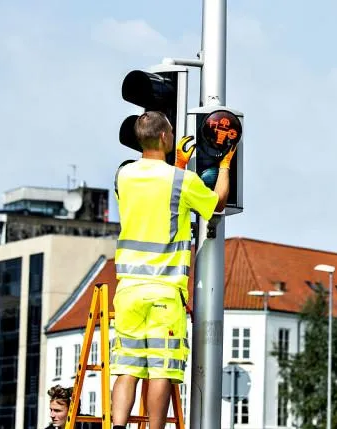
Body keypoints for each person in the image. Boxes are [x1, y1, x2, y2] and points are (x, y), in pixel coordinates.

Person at [111, 110, 234, 429]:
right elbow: (217, 202)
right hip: (163, 292)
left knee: (128, 368)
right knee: (162, 370)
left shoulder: (123, 177)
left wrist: (176, 163)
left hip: (127, 292)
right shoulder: (182, 181)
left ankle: (118, 426)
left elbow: (156, 198)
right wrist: (225, 163)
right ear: (166, 138)